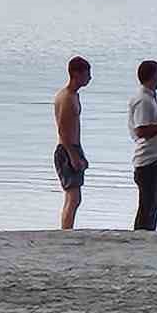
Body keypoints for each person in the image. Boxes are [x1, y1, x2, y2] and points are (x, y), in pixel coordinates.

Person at [128, 60, 157, 232]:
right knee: (148, 203)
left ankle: (148, 233)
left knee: (155, 202)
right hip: (149, 160)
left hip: (156, 157)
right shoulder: (143, 100)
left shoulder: (149, 98)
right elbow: (140, 130)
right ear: (153, 76)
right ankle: (142, 235)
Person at [52, 57, 91, 230]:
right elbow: (63, 129)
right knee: (73, 196)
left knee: (74, 196)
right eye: (86, 74)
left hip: (73, 147)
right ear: (76, 74)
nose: (89, 78)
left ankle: (67, 228)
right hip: (67, 149)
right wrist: (73, 156)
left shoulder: (72, 95)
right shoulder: (66, 97)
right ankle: (66, 230)